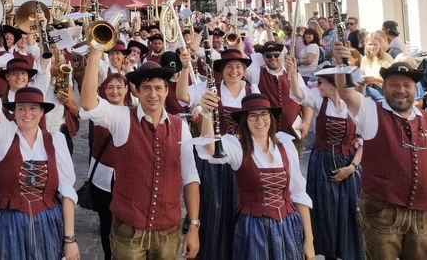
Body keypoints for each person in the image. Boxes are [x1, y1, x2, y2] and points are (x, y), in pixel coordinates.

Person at [333, 43, 427, 258]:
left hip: (422, 216)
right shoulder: (371, 112)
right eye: (394, 84)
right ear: (384, 87)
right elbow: (346, 94)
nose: (401, 90)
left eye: (407, 85)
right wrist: (341, 65)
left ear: (416, 89)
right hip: (382, 213)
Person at [81, 51, 201, 259]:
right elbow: (89, 103)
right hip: (129, 229)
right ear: (137, 92)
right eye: (146, 88)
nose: (152, 94)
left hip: (168, 231)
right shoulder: (122, 118)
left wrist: (193, 226)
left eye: (157, 88)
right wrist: (95, 54)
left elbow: (190, 178)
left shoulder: (180, 127)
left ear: (166, 91)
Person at [0, 44, 79, 260]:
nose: (27, 113)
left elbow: (67, 192)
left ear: (42, 112)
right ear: (14, 111)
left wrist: (69, 239)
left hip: (48, 223)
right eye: (21, 108)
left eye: (33, 108)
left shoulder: (56, 140)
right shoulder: (5, 136)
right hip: (10, 225)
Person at [196, 93, 314, 259]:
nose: (260, 120)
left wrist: (309, 240)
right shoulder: (237, 147)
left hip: (289, 225)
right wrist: (207, 113)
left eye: (264, 114)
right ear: (245, 120)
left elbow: (299, 193)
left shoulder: (286, 145)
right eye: (253, 116)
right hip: (253, 229)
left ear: (271, 117)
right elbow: (210, 147)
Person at [177, 48, 255, 260]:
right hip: (213, 161)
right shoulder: (209, 87)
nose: (234, 70)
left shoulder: (252, 90)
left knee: (239, 210)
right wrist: (185, 69)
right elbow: (182, 96)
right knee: (213, 209)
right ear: (221, 69)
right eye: (229, 66)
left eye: (239, 66)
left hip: (242, 161)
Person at [286, 60, 364, 259]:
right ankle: (328, 252)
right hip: (322, 163)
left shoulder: (355, 104)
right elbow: (299, 94)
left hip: (348, 163)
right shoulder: (319, 101)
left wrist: (352, 167)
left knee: (349, 211)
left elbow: (364, 142)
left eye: (321, 82)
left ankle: (348, 253)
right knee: (325, 210)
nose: (317, 86)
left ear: (333, 84)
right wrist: (293, 73)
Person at [87, 73, 129, 259]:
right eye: (110, 87)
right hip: (102, 177)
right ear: (104, 90)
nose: (115, 91)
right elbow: (87, 99)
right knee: (106, 223)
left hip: (126, 178)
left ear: (127, 89)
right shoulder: (99, 110)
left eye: (119, 87)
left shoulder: (133, 113)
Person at [246, 42, 313, 151]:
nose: (273, 58)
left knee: (292, 166)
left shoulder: (294, 75)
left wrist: (306, 123)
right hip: (267, 133)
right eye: (268, 56)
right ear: (263, 57)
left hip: (293, 131)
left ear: (281, 56)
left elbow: (307, 102)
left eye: (276, 55)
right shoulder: (257, 73)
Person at [360, 32, 394, 101]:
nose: (372, 47)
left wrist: (375, 79)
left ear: (380, 45)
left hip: (382, 91)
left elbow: (392, 80)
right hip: (367, 90)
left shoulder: (387, 58)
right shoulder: (364, 59)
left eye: (375, 44)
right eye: (370, 44)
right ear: (365, 45)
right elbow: (362, 75)